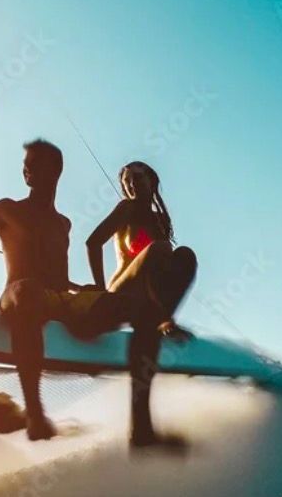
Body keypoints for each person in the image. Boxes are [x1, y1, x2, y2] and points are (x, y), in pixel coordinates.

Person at [0, 142, 196, 450]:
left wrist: (88, 290)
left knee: (145, 310)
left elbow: (60, 281)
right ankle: (35, 414)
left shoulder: (62, 224)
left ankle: (142, 430)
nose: (26, 170)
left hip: (61, 300)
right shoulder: (7, 209)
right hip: (21, 295)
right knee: (29, 292)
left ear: (55, 171)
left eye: (33, 164)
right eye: (25, 165)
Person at [84, 160, 197, 451]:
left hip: (146, 302)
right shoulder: (126, 208)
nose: (131, 184)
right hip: (120, 293)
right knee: (161, 249)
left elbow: (165, 271)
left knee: (184, 254)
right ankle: (163, 319)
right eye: (126, 181)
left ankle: (142, 431)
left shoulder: (160, 220)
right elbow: (93, 243)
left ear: (152, 180)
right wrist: (99, 290)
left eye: (137, 177)